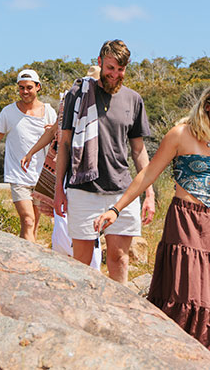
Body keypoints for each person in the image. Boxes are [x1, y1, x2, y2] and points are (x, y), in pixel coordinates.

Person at [93, 82, 210, 370]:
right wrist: (115, 209)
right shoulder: (180, 135)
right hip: (183, 221)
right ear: (207, 106)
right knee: (186, 294)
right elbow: (147, 175)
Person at [53, 40, 155, 284]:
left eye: (120, 70)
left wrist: (149, 194)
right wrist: (59, 189)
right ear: (99, 63)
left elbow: (138, 150)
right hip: (83, 189)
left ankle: (117, 316)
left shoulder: (133, 100)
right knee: (82, 262)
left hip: (122, 191)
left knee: (119, 259)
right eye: (110, 68)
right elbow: (65, 143)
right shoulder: (77, 96)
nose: (115, 75)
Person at [20, 66, 102, 269]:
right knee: (64, 220)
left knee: (88, 224)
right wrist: (31, 152)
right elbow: (57, 132)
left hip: (93, 171)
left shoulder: (106, 103)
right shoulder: (71, 100)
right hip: (69, 168)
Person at [0, 69, 56, 242]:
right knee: (27, 220)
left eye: (29, 87)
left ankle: (25, 261)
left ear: (38, 87)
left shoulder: (49, 111)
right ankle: (30, 261)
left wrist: (53, 133)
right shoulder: (8, 112)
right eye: (21, 88)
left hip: (41, 177)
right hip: (19, 175)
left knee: (33, 226)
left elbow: (59, 139)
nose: (24, 91)